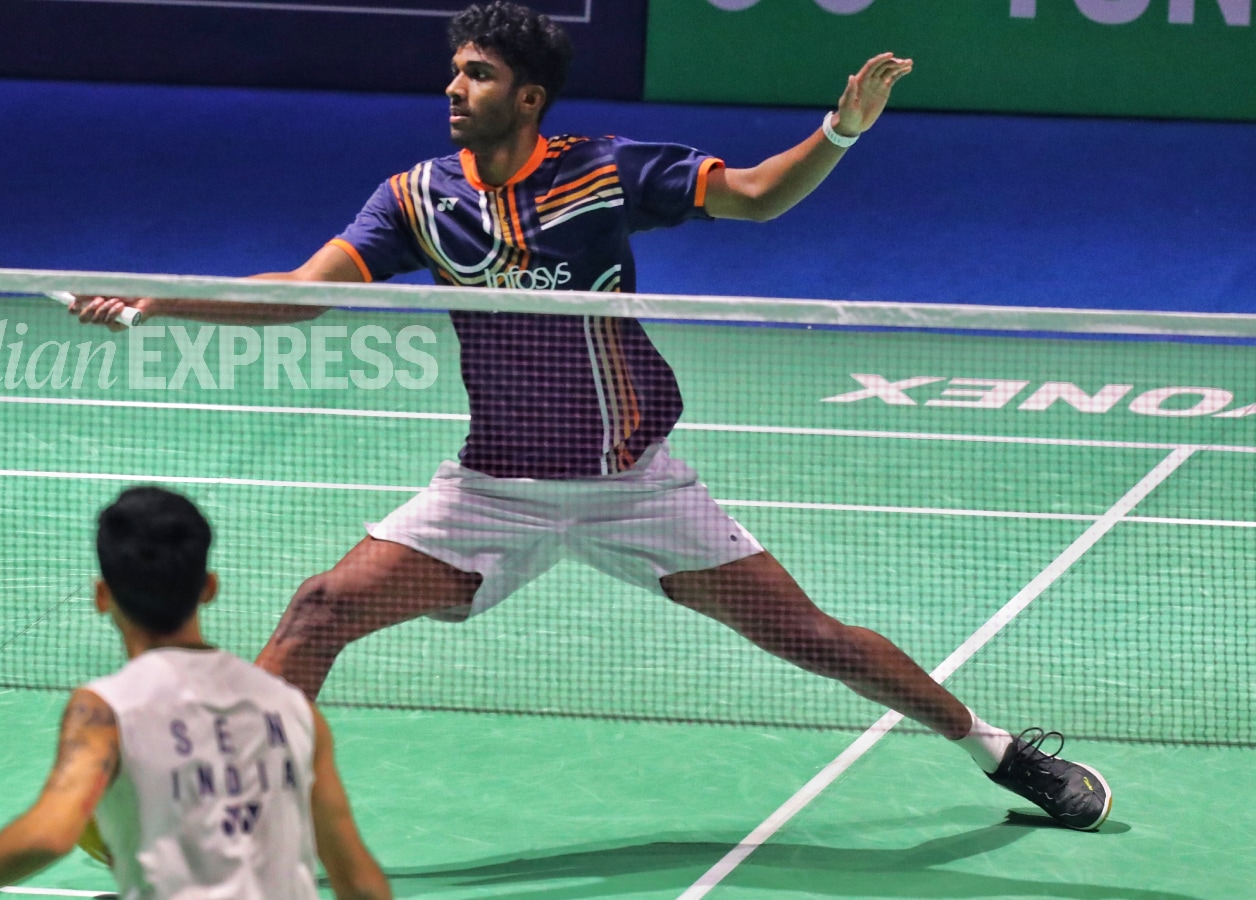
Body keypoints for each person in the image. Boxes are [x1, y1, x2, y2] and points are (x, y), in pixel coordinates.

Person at [72, 2, 1111, 831]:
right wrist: (157, 296)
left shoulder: (603, 170)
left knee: (813, 639)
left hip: (633, 483)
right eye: (454, 71)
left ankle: (1002, 753)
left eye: (475, 75)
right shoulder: (416, 199)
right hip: (494, 487)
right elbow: (303, 289)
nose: (453, 88)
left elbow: (751, 197)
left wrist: (839, 131)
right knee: (319, 609)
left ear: (526, 95)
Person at [0, 487, 391, 900]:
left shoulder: (104, 711)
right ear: (209, 587)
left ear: (102, 596)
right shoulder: (292, 708)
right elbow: (359, 882)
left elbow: (51, 834)